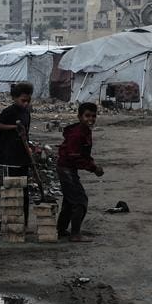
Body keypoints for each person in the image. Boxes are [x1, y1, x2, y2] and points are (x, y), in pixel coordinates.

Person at [56, 102, 104, 242]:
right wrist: (93, 168)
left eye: (93, 116)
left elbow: (84, 154)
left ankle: (60, 230)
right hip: (66, 168)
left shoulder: (85, 131)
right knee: (80, 201)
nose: (90, 119)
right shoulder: (77, 134)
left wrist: (92, 163)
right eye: (87, 116)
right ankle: (75, 234)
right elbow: (75, 157)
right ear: (79, 117)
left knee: (69, 200)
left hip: (67, 167)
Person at [0, 82, 34, 225]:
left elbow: (26, 133)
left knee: (24, 191)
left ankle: (23, 223)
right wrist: (14, 127)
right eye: (23, 100)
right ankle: (7, 224)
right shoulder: (10, 111)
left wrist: (30, 147)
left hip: (23, 157)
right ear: (15, 98)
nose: (26, 103)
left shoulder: (27, 112)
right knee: (11, 191)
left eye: (28, 100)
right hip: (10, 158)